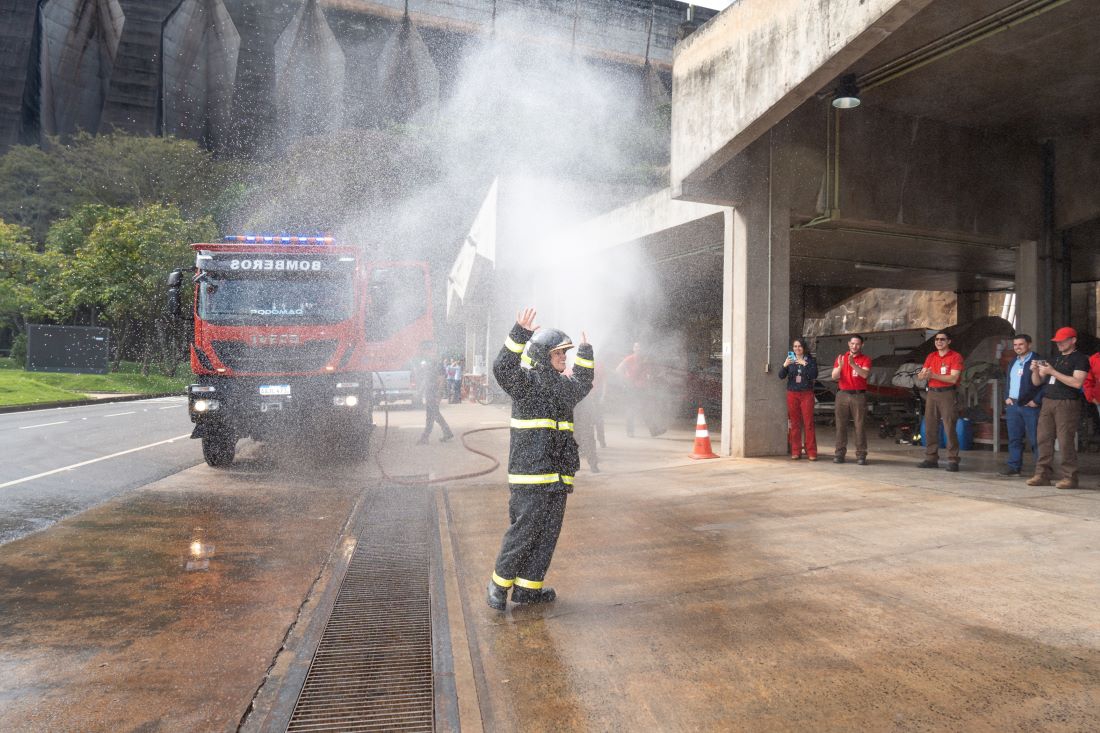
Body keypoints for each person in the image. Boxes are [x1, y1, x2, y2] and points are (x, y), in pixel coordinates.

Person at [487, 308, 594, 610]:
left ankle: (527, 589)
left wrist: (586, 352)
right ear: (544, 354)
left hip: (557, 479)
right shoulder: (525, 382)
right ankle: (498, 584)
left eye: (567, 353)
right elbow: (502, 367)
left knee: (547, 537)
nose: (565, 357)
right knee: (523, 533)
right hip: (531, 476)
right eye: (561, 352)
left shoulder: (564, 387)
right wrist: (519, 333)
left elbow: (584, 384)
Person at [1027, 326, 1089, 489]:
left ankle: (1070, 477)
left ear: (1073, 340)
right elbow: (1037, 382)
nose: (1059, 344)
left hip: (1067, 402)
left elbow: (1077, 383)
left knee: (1065, 440)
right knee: (1043, 438)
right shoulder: (1054, 359)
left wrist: (1052, 372)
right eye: (1057, 341)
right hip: (1048, 400)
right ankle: (1042, 474)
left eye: (1063, 341)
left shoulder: (1080, 359)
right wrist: (1035, 371)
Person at [916, 331, 965, 472]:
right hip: (932, 393)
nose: (939, 342)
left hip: (947, 393)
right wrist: (922, 375)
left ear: (949, 341)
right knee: (930, 426)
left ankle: (953, 460)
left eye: (942, 339)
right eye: (937, 339)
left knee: (949, 426)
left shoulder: (955, 357)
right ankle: (931, 458)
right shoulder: (931, 356)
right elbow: (922, 375)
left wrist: (933, 375)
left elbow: (953, 378)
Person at [1000, 334, 1044, 477]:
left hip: (1030, 406)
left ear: (1029, 345)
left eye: (1021, 344)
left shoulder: (1038, 360)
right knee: (1014, 438)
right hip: (1013, 405)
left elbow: (1045, 384)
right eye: (1015, 345)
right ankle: (1014, 467)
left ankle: (1041, 470)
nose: (1018, 347)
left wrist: (1037, 400)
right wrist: (1006, 397)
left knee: (1036, 439)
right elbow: (1008, 381)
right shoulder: (1013, 361)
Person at [830, 334, 872, 465]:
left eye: (857, 344)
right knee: (841, 425)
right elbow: (834, 376)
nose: (855, 346)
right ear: (849, 344)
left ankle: (861, 455)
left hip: (858, 395)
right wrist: (841, 366)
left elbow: (864, 374)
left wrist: (853, 364)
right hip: (842, 394)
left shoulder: (865, 359)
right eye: (852, 344)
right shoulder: (841, 358)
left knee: (859, 425)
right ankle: (839, 453)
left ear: (862, 345)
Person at [778, 336, 818, 460]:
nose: (797, 348)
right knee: (794, 423)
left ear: (804, 348)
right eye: (795, 346)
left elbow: (814, 375)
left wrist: (804, 364)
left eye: (799, 346)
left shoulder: (810, 360)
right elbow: (781, 376)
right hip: (792, 393)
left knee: (808, 423)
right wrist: (784, 365)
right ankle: (796, 450)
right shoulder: (790, 360)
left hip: (806, 394)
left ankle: (811, 451)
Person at [616, 342, 664, 438]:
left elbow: (648, 374)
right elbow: (618, 369)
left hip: (642, 388)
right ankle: (630, 432)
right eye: (637, 347)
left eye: (640, 347)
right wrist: (626, 379)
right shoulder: (629, 359)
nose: (639, 349)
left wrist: (650, 378)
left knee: (645, 409)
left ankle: (654, 431)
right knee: (631, 410)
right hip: (632, 388)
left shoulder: (645, 360)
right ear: (634, 349)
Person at [415, 342, 453, 445]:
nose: (424, 353)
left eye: (426, 351)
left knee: (432, 414)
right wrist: (421, 391)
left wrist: (438, 395)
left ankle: (426, 436)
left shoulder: (437, 363)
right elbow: (426, 379)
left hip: (433, 393)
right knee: (433, 414)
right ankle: (446, 432)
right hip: (429, 392)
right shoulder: (428, 363)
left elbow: (441, 380)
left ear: (430, 351)